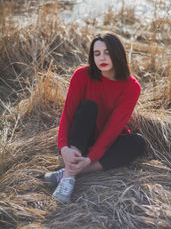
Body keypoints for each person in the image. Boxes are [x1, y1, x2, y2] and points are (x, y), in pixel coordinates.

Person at [44, 32, 146, 203]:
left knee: (137, 142)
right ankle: (68, 179)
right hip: (81, 135)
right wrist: (64, 148)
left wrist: (90, 158)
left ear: (117, 54)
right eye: (96, 53)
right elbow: (68, 115)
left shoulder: (131, 87)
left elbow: (113, 128)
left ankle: (72, 170)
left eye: (107, 52)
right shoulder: (81, 75)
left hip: (108, 139)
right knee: (88, 107)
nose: (102, 58)